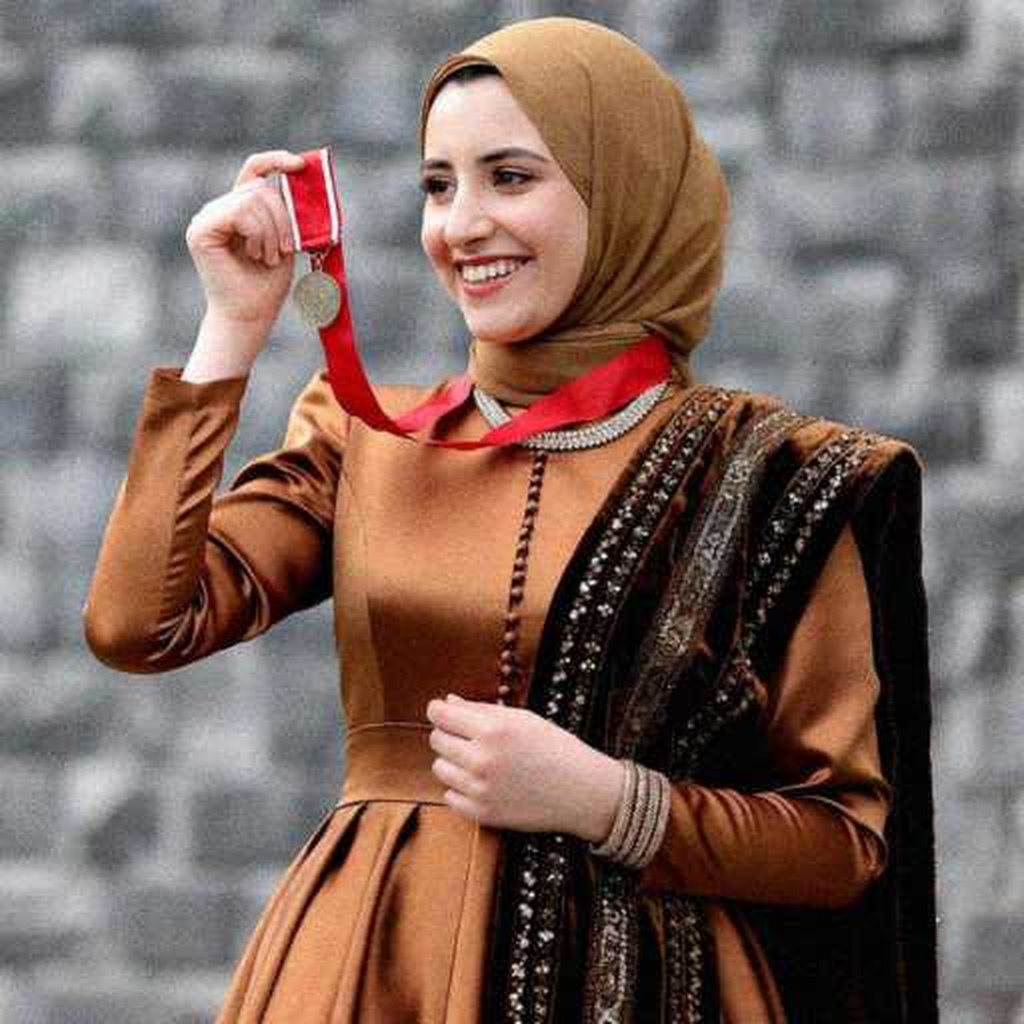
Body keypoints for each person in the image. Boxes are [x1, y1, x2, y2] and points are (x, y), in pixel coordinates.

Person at [83, 16, 938, 1024]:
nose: (462, 224)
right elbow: (138, 624)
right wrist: (231, 326)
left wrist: (607, 801)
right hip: (368, 968)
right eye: (438, 185)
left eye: (510, 178)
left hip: (653, 991)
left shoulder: (770, 478)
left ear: (623, 192)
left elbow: (842, 843)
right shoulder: (362, 439)